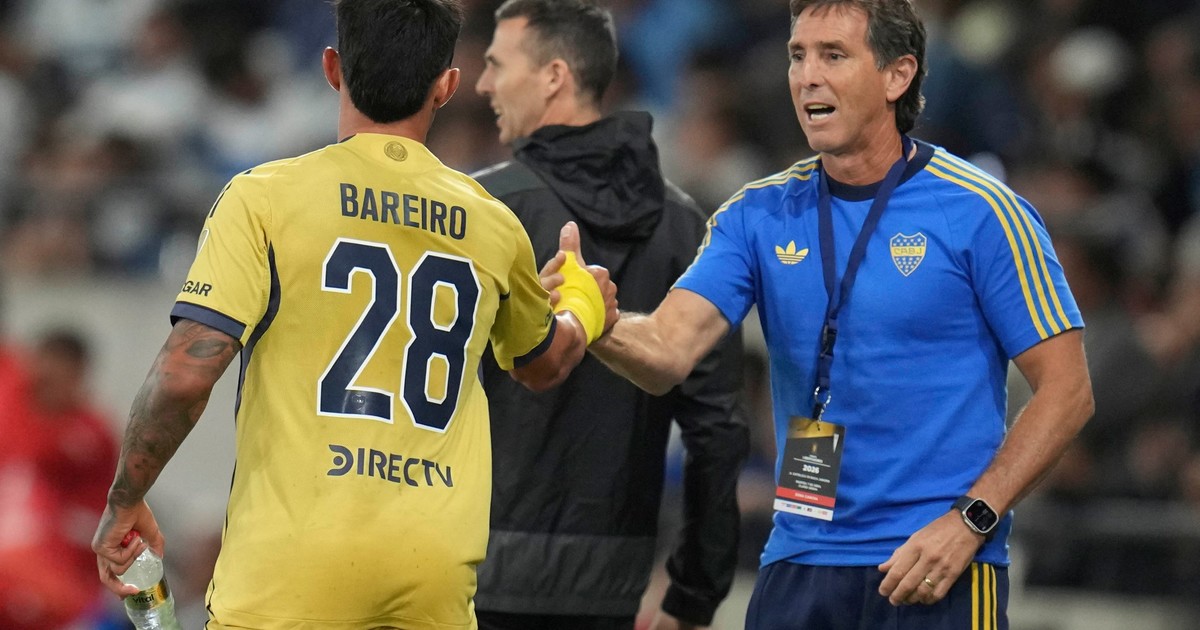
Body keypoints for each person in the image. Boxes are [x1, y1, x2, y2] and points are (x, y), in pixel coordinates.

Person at [90, 1, 617, 628]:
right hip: (432, 571)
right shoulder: (493, 224)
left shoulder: (263, 198)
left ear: (333, 68)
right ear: (447, 85)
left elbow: (184, 375)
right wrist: (582, 302)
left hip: (293, 567)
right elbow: (544, 363)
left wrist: (127, 498)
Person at [582, 0, 1095, 628]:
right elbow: (666, 350)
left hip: (936, 563)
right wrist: (602, 323)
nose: (807, 77)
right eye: (798, 56)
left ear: (897, 75)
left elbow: (1068, 391)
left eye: (833, 55)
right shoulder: (757, 215)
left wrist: (972, 520)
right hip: (800, 559)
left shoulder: (982, 210)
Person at [471, 2, 748, 629]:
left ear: (554, 76)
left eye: (496, 64)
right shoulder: (686, 226)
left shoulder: (484, 209)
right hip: (613, 584)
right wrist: (694, 594)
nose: (484, 84)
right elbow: (717, 429)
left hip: (475, 575)